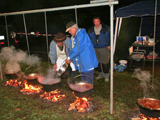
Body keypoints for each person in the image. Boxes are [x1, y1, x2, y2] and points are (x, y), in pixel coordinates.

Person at [88, 17, 110, 82]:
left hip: (104, 47)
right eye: (95, 22)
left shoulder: (105, 28)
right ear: (93, 22)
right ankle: (100, 74)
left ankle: (106, 75)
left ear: (100, 21)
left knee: (105, 62)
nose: (96, 23)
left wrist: (109, 44)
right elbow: (89, 40)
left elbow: (110, 36)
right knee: (97, 62)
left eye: (97, 21)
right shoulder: (90, 30)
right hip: (95, 48)